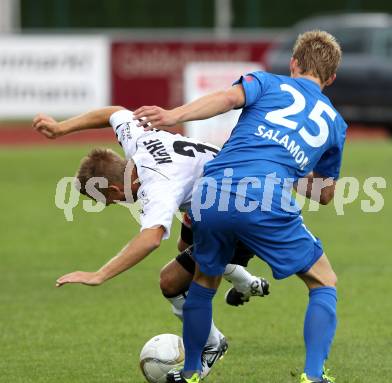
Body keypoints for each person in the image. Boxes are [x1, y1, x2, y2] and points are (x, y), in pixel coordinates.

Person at [133, 30, 347, 383]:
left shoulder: (265, 82)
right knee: (323, 280)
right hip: (265, 198)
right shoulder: (335, 124)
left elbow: (227, 98)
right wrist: (286, 164)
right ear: (332, 78)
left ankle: (189, 374)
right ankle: (313, 376)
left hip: (212, 190)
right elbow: (324, 194)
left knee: (204, 279)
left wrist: (173, 116)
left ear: (293, 63)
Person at [33, 106, 269, 378]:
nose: (109, 205)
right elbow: (114, 112)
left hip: (244, 208)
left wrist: (99, 275)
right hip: (219, 196)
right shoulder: (137, 141)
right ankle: (244, 282)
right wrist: (61, 128)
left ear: (114, 189)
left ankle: (212, 345)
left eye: (105, 200)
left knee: (171, 280)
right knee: (186, 250)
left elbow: (150, 239)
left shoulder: (156, 185)